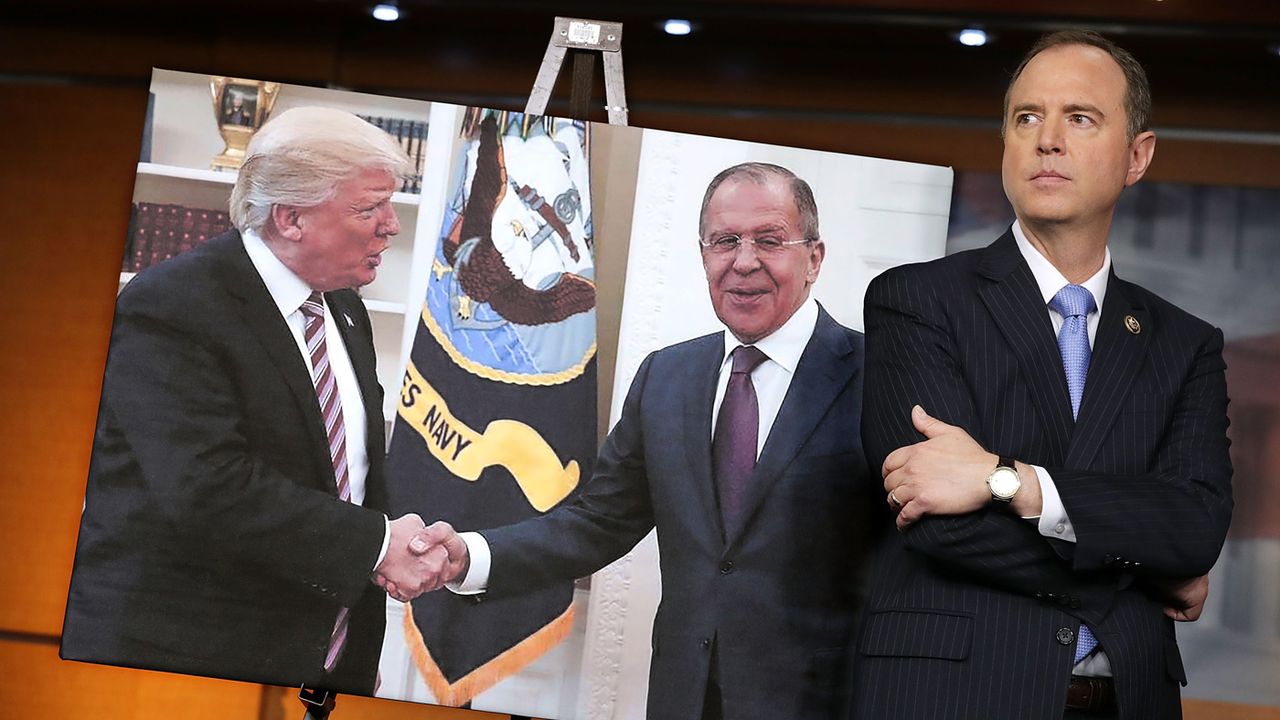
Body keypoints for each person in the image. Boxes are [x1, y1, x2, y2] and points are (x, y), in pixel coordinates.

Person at [854, 31, 1233, 720]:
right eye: (1026, 117)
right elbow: (937, 524)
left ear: (1137, 156)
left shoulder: (1186, 344)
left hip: (1128, 699)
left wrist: (1011, 482)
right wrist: (1141, 569)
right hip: (952, 697)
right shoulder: (916, 301)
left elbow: (1196, 528)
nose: (1046, 140)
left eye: (1080, 118)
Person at [408, 162, 873, 720]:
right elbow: (598, 522)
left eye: (769, 240)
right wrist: (470, 556)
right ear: (704, 255)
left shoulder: (879, 375)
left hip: (824, 700)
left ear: (814, 257)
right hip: (683, 695)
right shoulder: (666, 376)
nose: (744, 261)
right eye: (725, 241)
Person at [61, 107, 461, 695]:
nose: (390, 226)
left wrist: (350, 642)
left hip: (316, 655)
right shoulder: (171, 306)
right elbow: (206, 486)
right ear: (291, 218)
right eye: (368, 208)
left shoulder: (343, 306)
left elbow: (347, 473)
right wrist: (379, 546)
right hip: (182, 658)